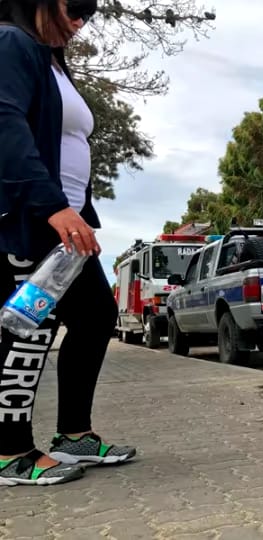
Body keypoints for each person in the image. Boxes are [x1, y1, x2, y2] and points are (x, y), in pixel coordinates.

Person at [0, 0, 134, 487]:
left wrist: (78, 213)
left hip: (65, 234)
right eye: (75, 7)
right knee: (27, 330)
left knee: (96, 316)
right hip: (31, 222)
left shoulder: (49, 60)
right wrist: (51, 205)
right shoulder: (11, 42)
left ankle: (74, 435)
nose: (81, 20)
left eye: (90, 12)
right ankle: (9, 452)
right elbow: (5, 124)